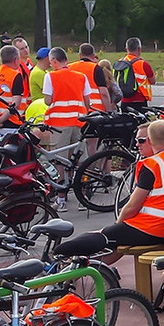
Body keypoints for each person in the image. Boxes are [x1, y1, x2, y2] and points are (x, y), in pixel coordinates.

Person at [95, 119, 164, 262]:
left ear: (150, 141)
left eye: (142, 140)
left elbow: (132, 207)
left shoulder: (151, 165)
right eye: (137, 140)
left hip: (152, 228)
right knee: (116, 243)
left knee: (99, 237)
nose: (137, 145)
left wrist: (117, 225)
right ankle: (86, 272)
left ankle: (67, 269)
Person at [43, 47, 93, 211]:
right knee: (81, 159)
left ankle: (61, 198)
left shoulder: (50, 76)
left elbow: (48, 100)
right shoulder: (81, 77)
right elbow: (87, 102)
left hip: (59, 125)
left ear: (55, 61)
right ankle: (83, 196)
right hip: (79, 122)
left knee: (60, 161)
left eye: (51, 62)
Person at [0, 45, 27, 131]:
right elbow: (15, 104)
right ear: (16, 60)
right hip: (13, 122)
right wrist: (0, 121)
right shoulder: (15, 75)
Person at [69, 43, 111, 115]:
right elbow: (104, 93)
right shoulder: (96, 68)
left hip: (74, 111)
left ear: (80, 55)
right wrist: (109, 111)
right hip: (95, 110)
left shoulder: (69, 68)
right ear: (93, 55)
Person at [117, 37, 156, 109]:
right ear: (139, 49)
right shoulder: (143, 64)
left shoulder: (120, 62)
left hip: (124, 100)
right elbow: (153, 81)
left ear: (126, 49)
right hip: (139, 100)